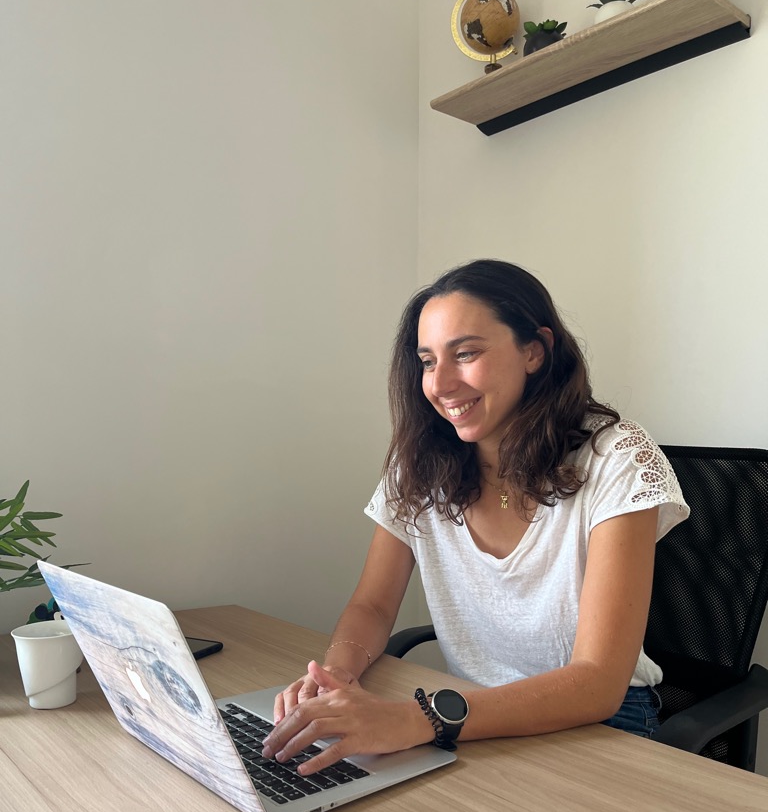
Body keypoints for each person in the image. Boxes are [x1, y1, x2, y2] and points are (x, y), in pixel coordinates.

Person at [263, 259, 689, 774]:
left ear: (535, 350)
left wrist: (414, 719)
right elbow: (373, 606)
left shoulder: (617, 458)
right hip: (464, 715)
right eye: (426, 361)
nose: (440, 383)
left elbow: (597, 682)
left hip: (596, 725)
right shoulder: (418, 464)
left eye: (465, 354)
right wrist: (336, 677)